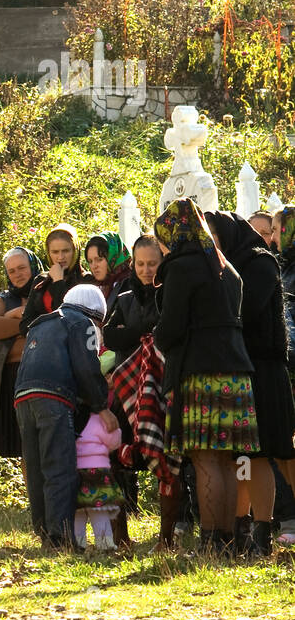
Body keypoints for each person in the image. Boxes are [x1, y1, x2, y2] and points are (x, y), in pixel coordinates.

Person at [153, 199, 257, 556]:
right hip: (236, 370)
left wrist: (159, 335)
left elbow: (170, 328)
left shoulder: (182, 267)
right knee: (225, 459)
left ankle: (211, 542)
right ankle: (227, 541)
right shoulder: (228, 269)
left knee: (204, 459)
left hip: (200, 371)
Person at [205, 211, 289, 557]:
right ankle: (247, 530)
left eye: (213, 236)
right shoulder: (217, 268)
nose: (210, 243)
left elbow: (245, 310)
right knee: (245, 457)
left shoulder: (259, 263)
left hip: (265, 371)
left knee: (271, 454)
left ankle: (263, 532)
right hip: (239, 372)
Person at [13, 284, 115, 549]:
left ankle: (44, 531)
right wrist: (101, 405)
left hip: (23, 396)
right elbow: (87, 368)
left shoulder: (40, 323)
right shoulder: (83, 324)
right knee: (59, 466)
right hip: (54, 397)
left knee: (36, 468)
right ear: (96, 315)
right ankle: (61, 536)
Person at [102, 235, 163, 543]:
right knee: (117, 456)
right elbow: (110, 334)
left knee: (165, 459)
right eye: (140, 263)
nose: (146, 269)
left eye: (152, 263)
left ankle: (170, 532)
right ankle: (120, 534)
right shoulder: (125, 296)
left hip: (159, 387)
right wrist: (142, 334)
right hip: (126, 388)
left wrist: (135, 335)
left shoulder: (169, 295)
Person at [0, 247, 42, 464]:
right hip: (11, 375)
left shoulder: (47, 292)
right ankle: (33, 498)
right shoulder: (4, 299)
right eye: (11, 271)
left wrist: (12, 318)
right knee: (22, 447)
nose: (17, 274)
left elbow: (47, 320)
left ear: (33, 266)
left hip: (42, 371)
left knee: (43, 443)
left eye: (22, 268)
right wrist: (23, 320)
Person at [73, 403, 125, 551]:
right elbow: (114, 442)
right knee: (99, 511)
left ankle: (78, 543)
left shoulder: (70, 418)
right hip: (98, 471)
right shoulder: (99, 420)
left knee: (78, 512)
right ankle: (105, 544)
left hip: (75, 471)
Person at [20, 223, 84, 329]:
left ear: (75, 251)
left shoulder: (85, 281)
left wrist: (58, 281)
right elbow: (25, 325)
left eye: (66, 251)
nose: (60, 257)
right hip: (44, 343)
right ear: (48, 253)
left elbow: (68, 319)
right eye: (55, 252)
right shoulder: (41, 281)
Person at [83, 231, 132, 307]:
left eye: (99, 259)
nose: (94, 266)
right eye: (90, 261)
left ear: (113, 257)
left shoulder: (130, 284)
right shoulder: (92, 287)